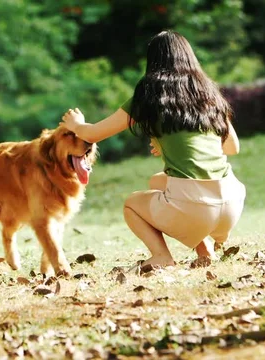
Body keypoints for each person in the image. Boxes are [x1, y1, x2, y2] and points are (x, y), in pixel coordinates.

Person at [60, 30, 245, 268]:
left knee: (132, 204)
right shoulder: (208, 92)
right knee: (157, 181)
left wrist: (76, 124)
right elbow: (232, 147)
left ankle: (161, 257)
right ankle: (205, 250)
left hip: (197, 209)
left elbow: (94, 134)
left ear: (153, 60)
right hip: (232, 202)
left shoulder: (150, 92)